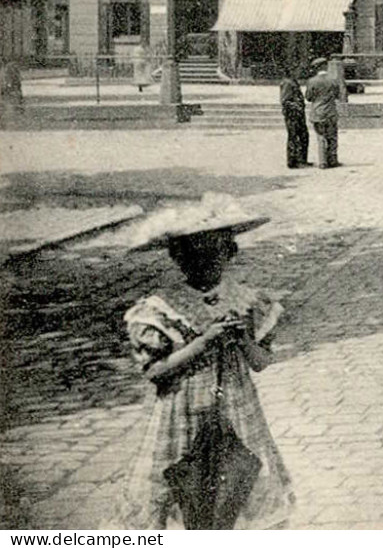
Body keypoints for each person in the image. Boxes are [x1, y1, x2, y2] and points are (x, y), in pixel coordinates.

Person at [117, 196, 294, 529]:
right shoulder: (160, 308)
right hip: (180, 415)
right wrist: (204, 341)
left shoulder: (248, 299)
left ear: (229, 252)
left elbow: (259, 362)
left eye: (214, 251)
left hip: (238, 411)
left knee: (240, 487)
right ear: (178, 258)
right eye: (193, 254)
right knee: (183, 491)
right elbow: (155, 373)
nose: (205, 262)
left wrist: (242, 339)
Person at [304, 59, 342, 169]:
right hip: (331, 112)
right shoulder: (333, 80)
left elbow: (308, 97)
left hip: (318, 113)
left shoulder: (312, 81)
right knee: (332, 137)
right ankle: (333, 160)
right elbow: (337, 95)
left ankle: (322, 162)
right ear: (325, 67)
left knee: (321, 137)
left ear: (316, 68)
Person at [278, 71, 309, 169]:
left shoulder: (292, 82)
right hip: (292, 114)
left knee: (303, 136)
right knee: (293, 137)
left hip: (298, 114)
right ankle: (292, 161)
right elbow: (285, 101)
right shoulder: (287, 83)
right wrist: (297, 106)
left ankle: (301, 159)